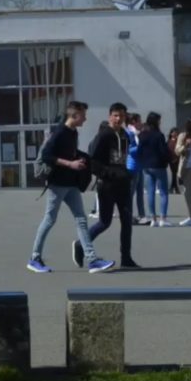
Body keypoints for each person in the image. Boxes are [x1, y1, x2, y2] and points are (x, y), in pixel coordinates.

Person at [27, 101, 115, 274]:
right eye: (83, 115)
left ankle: (92, 260)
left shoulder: (73, 132)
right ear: (74, 115)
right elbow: (46, 155)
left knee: (81, 219)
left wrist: (79, 159)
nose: (85, 119)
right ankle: (34, 258)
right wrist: (70, 163)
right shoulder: (59, 132)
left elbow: (68, 153)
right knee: (49, 219)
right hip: (57, 183)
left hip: (71, 183)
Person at [84, 102, 140, 269]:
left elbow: (125, 157)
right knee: (105, 222)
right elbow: (92, 161)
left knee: (127, 220)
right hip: (107, 184)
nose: (118, 119)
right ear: (110, 116)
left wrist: (128, 173)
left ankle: (126, 258)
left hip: (124, 184)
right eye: (115, 115)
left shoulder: (125, 135)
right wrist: (107, 174)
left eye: (121, 116)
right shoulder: (104, 135)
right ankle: (81, 244)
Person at [138, 112, 173, 227]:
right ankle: (163, 218)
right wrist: (169, 159)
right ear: (156, 121)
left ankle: (153, 218)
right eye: (159, 120)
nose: (160, 122)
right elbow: (163, 151)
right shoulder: (159, 135)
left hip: (146, 165)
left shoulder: (142, 134)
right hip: (159, 165)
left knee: (150, 192)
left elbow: (139, 150)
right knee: (163, 192)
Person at [125, 113, 150, 225]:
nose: (141, 123)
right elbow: (130, 150)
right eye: (139, 121)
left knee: (140, 193)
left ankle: (142, 215)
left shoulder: (137, 133)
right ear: (133, 122)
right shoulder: (129, 133)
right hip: (132, 166)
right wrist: (142, 146)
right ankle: (127, 216)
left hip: (139, 166)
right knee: (130, 193)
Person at [87, 120, 109, 218]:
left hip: (97, 168)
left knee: (101, 188)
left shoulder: (96, 139)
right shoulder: (100, 139)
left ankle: (97, 209)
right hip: (101, 168)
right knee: (101, 189)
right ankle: (98, 210)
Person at [167, 127, 181, 194]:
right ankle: (175, 187)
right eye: (173, 132)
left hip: (177, 159)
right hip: (171, 160)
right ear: (171, 133)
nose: (175, 133)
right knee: (174, 173)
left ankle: (173, 187)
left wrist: (177, 158)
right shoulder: (168, 141)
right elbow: (168, 150)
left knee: (175, 173)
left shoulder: (178, 141)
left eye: (176, 132)